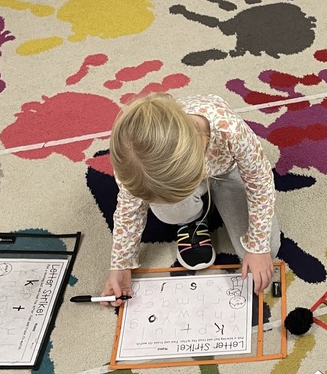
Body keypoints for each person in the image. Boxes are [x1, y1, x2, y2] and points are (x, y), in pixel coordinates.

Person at [102, 94, 281, 305]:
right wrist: (121, 265)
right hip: (183, 174)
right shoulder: (130, 162)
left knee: (268, 246)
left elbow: (260, 182)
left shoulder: (229, 129)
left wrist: (258, 247)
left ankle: (196, 202)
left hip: (229, 169)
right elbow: (128, 209)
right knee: (168, 211)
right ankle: (192, 219)